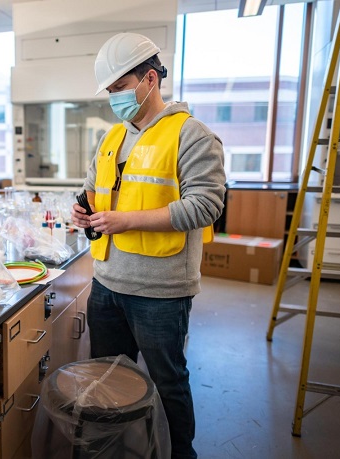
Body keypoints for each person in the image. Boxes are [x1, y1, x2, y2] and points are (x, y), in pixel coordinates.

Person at [71, 32, 226, 459]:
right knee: (106, 380)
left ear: (150, 80)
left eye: (119, 88)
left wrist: (126, 220)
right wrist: (82, 211)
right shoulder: (111, 139)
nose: (113, 99)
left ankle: (180, 454)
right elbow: (91, 190)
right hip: (107, 285)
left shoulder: (192, 135)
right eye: (110, 91)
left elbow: (206, 206)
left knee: (168, 382)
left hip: (160, 291)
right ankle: (113, 451)